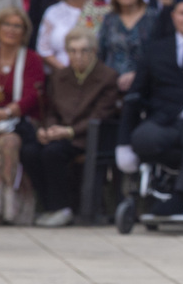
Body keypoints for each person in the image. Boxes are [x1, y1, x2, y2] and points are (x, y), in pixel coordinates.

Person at [114, 0, 183, 218]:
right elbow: (135, 94)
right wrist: (123, 142)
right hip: (164, 123)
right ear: (174, 17)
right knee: (143, 138)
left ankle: (180, 199)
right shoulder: (156, 49)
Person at [26, 26, 120, 227]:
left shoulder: (107, 76)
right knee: (30, 151)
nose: (78, 56)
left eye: (84, 51)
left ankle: (62, 208)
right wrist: (49, 130)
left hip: (88, 136)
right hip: (60, 134)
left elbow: (101, 114)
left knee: (53, 153)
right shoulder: (60, 76)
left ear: (93, 51)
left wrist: (67, 132)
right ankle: (50, 206)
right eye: (73, 51)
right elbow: (51, 111)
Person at [0, 7, 45, 223]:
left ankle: (1, 208)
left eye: (17, 26)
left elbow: (32, 95)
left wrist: (4, 113)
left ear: (24, 31)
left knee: (8, 144)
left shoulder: (32, 60)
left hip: (18, 123)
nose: (11, 30)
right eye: (7, 24)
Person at [36, 0, 109, 70]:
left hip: (96, 76)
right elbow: (43, 50)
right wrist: (66, 72)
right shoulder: (52, 12)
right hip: (61, 77)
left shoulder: (102, 9)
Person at [97, 0, 158, 93]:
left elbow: (159, 55)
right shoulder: (108, 19)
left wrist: (137, 75)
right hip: (111, 87)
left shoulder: (154, 17)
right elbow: (101, 54)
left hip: (147, 86)